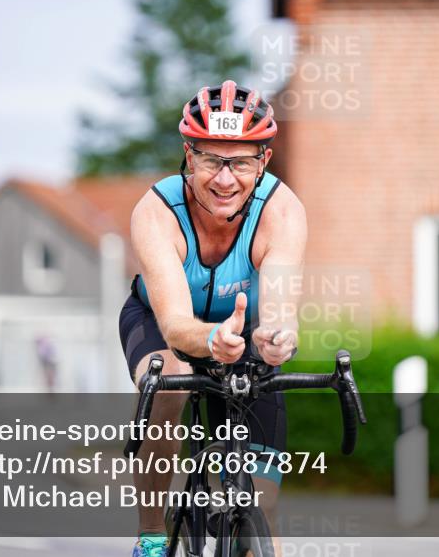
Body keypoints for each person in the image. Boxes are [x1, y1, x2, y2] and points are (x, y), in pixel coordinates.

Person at [120, 81, 306, 557]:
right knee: (173, 380)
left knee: (262, 511)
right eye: (211, 159)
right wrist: (210, 339)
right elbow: (177, 324)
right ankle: (152, 535)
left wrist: (276, 337)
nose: (225, 179)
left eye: (240, 161)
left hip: (244, 338)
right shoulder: (156, 212)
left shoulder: (282, 211)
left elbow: (280, 308)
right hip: (162, 325)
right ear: (188, 155)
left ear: (263, 161)